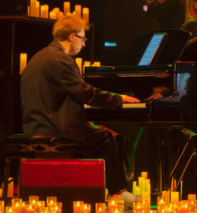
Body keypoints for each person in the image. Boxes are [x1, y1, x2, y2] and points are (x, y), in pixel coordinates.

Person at [20, 15, 140, 196]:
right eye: (83, 39)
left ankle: (84, 189)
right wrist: (119, 99)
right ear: (71, 36)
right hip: (54, 127)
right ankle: (116, 191)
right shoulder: (61, 58)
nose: (83, 44)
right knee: (104, 137)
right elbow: (83, 92)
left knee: (92, 132)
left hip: (37, 123)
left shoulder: (41, 55)